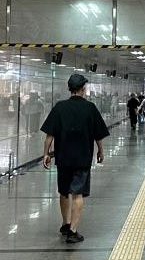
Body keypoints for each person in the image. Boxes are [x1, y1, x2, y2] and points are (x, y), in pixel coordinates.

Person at [40, 73, 109, 244]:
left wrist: (46, 154)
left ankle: (65, 223)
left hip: (63, 157)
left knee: (64, 192)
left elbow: (49, 135)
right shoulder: (90, 108)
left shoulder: (59, 107)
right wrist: (101, 151)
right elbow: (98, 135)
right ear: (83, 89)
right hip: (82, 158)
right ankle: (73, 231)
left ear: (69, 89)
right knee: (77, 194)